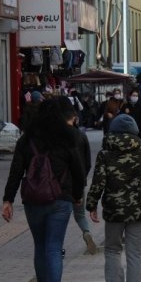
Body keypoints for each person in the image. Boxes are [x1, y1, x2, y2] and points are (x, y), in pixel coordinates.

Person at [2, 98, 86, 282]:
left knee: (40, 247)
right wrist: (77, 195)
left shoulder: (27, 139)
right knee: (54, 248)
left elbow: (16, 170)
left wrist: (8, 199)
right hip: (61, 200)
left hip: (33, 200)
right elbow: (79, 170)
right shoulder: (67, 138)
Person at [86, 114, 141, 282]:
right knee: (136, 253)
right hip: (138, 212)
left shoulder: (105, 154)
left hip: (113, 211)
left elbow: (98, 182)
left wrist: (91, 205)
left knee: (112, 250)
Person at [59, 98, 97, 255]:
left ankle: (58, 246)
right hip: (78, 182)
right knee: (79, 214)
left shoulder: (57, 136)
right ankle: (87, 232)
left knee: (60, 217)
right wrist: (82, 180)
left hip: (61, 183)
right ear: (74, 118)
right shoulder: (81, 136)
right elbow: (88, 162)